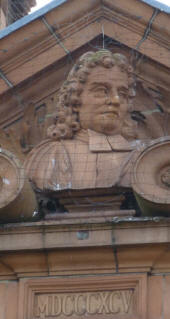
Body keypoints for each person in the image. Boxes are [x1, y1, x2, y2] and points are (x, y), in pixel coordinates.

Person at [25, 50, 141, 192]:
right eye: (102, 91)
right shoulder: (51, 155)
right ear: (75, 99)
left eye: (122, 94)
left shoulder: (142, 157)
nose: (116, 100)